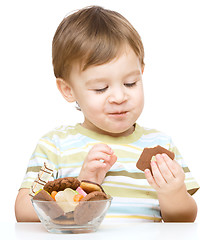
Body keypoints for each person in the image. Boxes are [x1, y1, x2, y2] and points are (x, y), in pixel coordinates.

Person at [15, 6, 199, 222]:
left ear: (141, 72)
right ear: (68, 90)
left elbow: (185, 220)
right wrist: (81, 186)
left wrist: (173, 193)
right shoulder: (55, 145)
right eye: (101, 88)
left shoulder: (161, 145)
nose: (119, 96)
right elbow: (23, 212)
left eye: (130, 83)